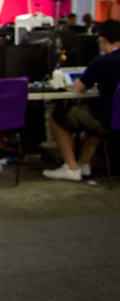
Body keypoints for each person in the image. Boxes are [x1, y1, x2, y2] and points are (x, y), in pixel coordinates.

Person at [43, 19, 120, 181]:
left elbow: (78, 89)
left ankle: (71, 167)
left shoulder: (102, 62)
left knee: (58, 117)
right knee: (92, 115)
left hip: (107, 119)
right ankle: (84, 163)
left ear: (102, 39)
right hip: (112, 118)